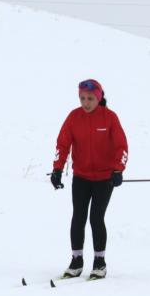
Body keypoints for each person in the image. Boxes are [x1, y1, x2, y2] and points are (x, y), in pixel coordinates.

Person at [52, 78, 128, 281]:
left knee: (96, 217)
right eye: (82, 98)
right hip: (82, 177)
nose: (86, 103)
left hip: (105, 179)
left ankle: (99, 262)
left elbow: (122, 146)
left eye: (91, 99)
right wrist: (57, 169)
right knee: (78, 217)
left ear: (99, 98)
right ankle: (76, 261)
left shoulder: (110, 118)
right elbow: (62, 144)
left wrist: (118, 170)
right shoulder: (74, 117)